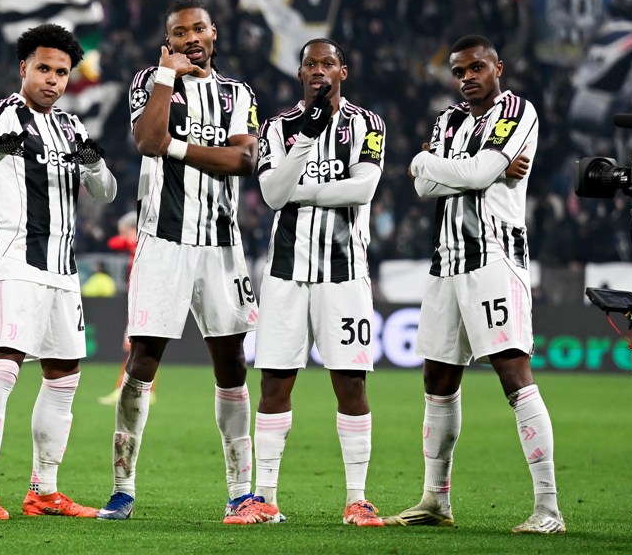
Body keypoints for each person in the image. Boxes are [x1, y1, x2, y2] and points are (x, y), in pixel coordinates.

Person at [383, 35, 565, 534]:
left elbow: (478, 173)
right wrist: (463, 170)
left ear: (497, 68)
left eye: (476, 68)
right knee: (438, 379)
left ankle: (549, 508)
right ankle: (435, 500)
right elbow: (426, 186)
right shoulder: (447, 120)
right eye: (459, 71)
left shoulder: (516, 111)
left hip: (494, 258)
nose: (467, 78)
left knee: (513, 372)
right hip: (446, 262)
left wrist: (430, 162)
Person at [96, 0, 259, 522]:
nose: (191, 38)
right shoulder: (150, 79)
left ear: (214, 33)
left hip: (221, 246)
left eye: (198, 29)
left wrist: (178, 148)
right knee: (142, 362)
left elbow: (243, 160)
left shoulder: (238, 94)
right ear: (167, 41)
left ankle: (241, 492)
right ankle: (122, 489)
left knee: (232, 364)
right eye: (179, 32)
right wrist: (167, 76)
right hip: (163, 241)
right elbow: (148, 139)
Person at [224, 39, 386, 526]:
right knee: (275, 381)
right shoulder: (278, 127)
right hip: (285, 274)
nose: (319, 70)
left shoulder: (367, 123)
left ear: (343, 72)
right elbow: (273, 194)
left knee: (351, 383)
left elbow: (365, 187)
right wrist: (308, 137)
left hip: (345, 274)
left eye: (328, 63)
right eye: (310, 64)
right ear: (299, 73)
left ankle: (357, 498)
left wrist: (304, 191)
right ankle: (266, 498)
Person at [0, 23, 117, 520]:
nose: (52, 80)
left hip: (63, 268)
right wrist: (3, 144)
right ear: (23, 68)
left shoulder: (71, 127)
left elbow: (106, 192)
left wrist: (94, 165)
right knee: (4, 367)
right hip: (15, 259)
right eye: (44, 69)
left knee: (64, 375)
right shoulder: (3, 111)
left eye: (62, 72)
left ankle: (43, 490)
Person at [97, 211, 158, 406]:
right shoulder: (138, 245)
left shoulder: (144, 242)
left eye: (124, 231)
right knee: (140, 347)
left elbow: (116, 243)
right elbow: (114, 243)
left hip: (143, 300)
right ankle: (145, 390)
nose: (122, 235)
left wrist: (132, 238)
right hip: (140, 299)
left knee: (134, 346)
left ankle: (124, 389)